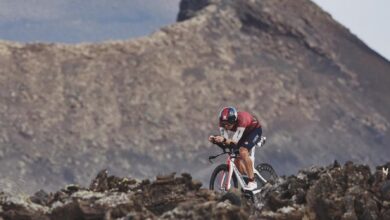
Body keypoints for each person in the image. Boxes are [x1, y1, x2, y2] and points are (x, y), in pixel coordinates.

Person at [208, 106, 262, 190]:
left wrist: (224, 140)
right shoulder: (222, 123)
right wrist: (215, 140)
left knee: (243, 151)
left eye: (229, 125)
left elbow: (234, 141)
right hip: (242, 133)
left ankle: (252, 181)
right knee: (236, 159)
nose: (226, 126)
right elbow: (226, 142)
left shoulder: (242, 120)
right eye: (224, 124)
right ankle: (249, 173)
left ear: (234, 121)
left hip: (254, 131)